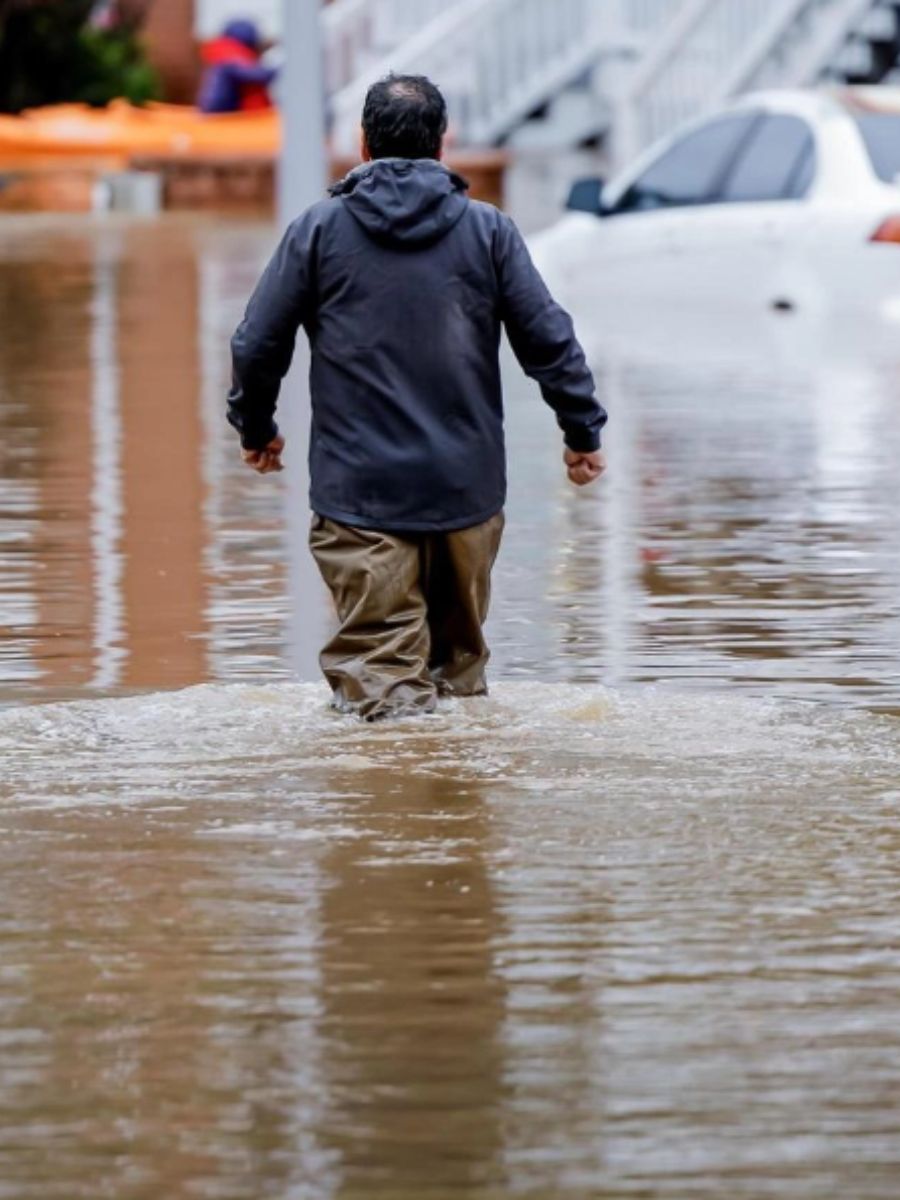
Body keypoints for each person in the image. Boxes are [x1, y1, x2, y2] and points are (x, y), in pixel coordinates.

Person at [227, 74, 607, 721]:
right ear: (443, 144)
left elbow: (257, 343)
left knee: (383, 690)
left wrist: (255, 428)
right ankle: (458, 816)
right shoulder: (489, 231)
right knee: (457, 681)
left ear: (362, 144)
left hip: (360, 497)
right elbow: (549, 338)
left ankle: (396, 809)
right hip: (466, 494)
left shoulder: (318, 231)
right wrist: (581, 433)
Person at [198, 18, 275, 115]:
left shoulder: (222, 52)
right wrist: (277, 69)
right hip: (220, 113)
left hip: (219, 111)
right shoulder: (229, 56)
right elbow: (253, 75)